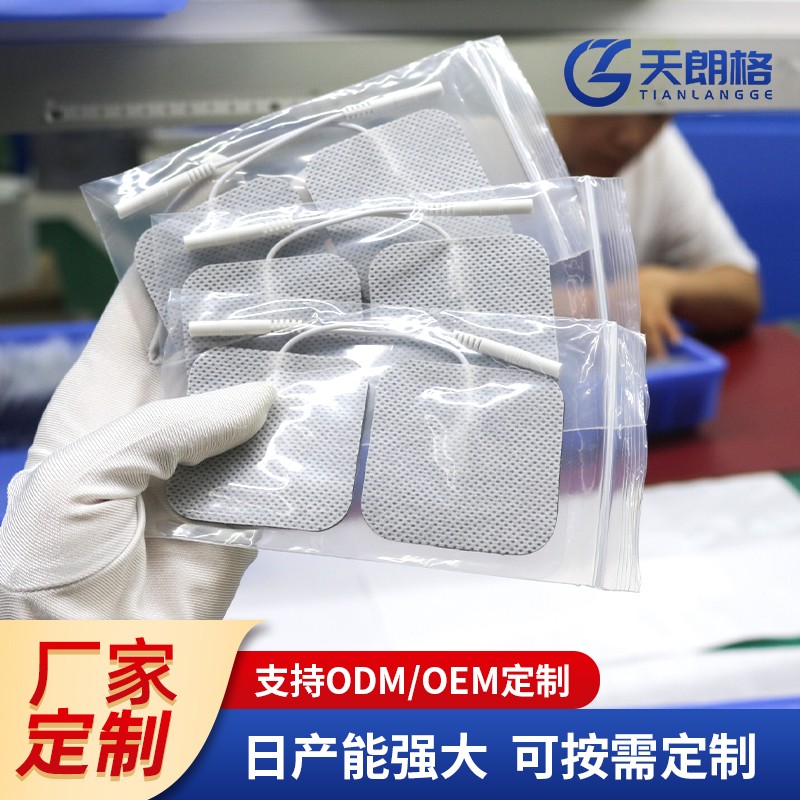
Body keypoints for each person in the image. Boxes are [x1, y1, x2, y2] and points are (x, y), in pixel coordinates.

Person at [547, 114, 762, 357]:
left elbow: (744, 290)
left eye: (656, 117)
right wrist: (598, 303)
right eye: (608, 107)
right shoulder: (509, 142)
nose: (631, 138)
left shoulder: (660, 151)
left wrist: (664, 284)